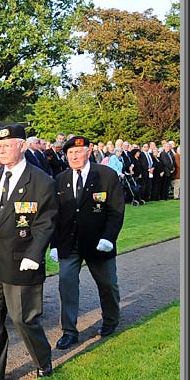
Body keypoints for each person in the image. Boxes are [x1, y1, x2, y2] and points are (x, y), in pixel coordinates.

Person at [0, 124, 57, 380]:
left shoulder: (41, 181)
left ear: (21, 146)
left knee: (23, 319)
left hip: (23, 261)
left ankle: (43, 361)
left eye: (6, 146)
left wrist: (35, 253)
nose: (1, 151)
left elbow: (45, 222)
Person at [50, 136, 125, 351]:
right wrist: (54, 244)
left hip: (98, 242)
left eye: (78, 152)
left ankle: (111, 320)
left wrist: (108, 238)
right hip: (69, 243)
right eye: (70, 153)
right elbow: (54, 215)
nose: (73, 156)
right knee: (66, 284)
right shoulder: (60, 179)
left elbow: (116, 210)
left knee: (108, 284)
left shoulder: (106, 175)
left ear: (88, 152)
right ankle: (69, 331)